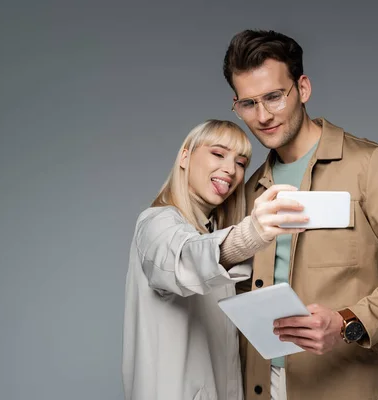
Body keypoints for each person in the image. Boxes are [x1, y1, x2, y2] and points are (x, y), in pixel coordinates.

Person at [222, 30, 378, 400]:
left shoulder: (373, 166)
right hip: (267, 387)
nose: (263, 116)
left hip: (357, 387)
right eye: (248, 104)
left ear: (303, 88)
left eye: (273, 97)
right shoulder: (250, 190)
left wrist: (349, 321)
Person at [122, 119, 310, 400]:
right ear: (185, 156)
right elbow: (185, 260)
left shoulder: (209, 230)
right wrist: (251, 234)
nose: (231, 170)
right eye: (218, 154)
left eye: (241, 162)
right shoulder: (156, 222)